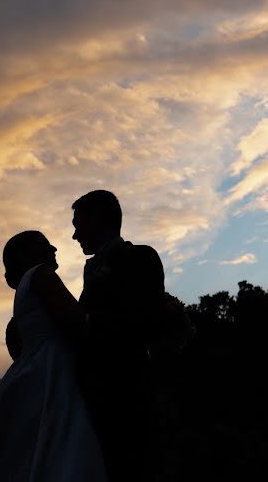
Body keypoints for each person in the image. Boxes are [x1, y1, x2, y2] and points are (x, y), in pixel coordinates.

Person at [0, 231, 107, 482]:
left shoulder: (22, 290)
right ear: (25, 255)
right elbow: (76, 322)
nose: (54, 248)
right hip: (54, 369)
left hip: (32, 370)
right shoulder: (41, 275)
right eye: (45, 244)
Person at [71, 190, 166, 482]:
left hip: (130, 401)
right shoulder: (90, 271)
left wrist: (89, 324)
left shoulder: (141, 257)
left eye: (78, 224)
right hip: (95, 406)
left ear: (98, 219)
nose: (74, 236)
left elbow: (146, 321)